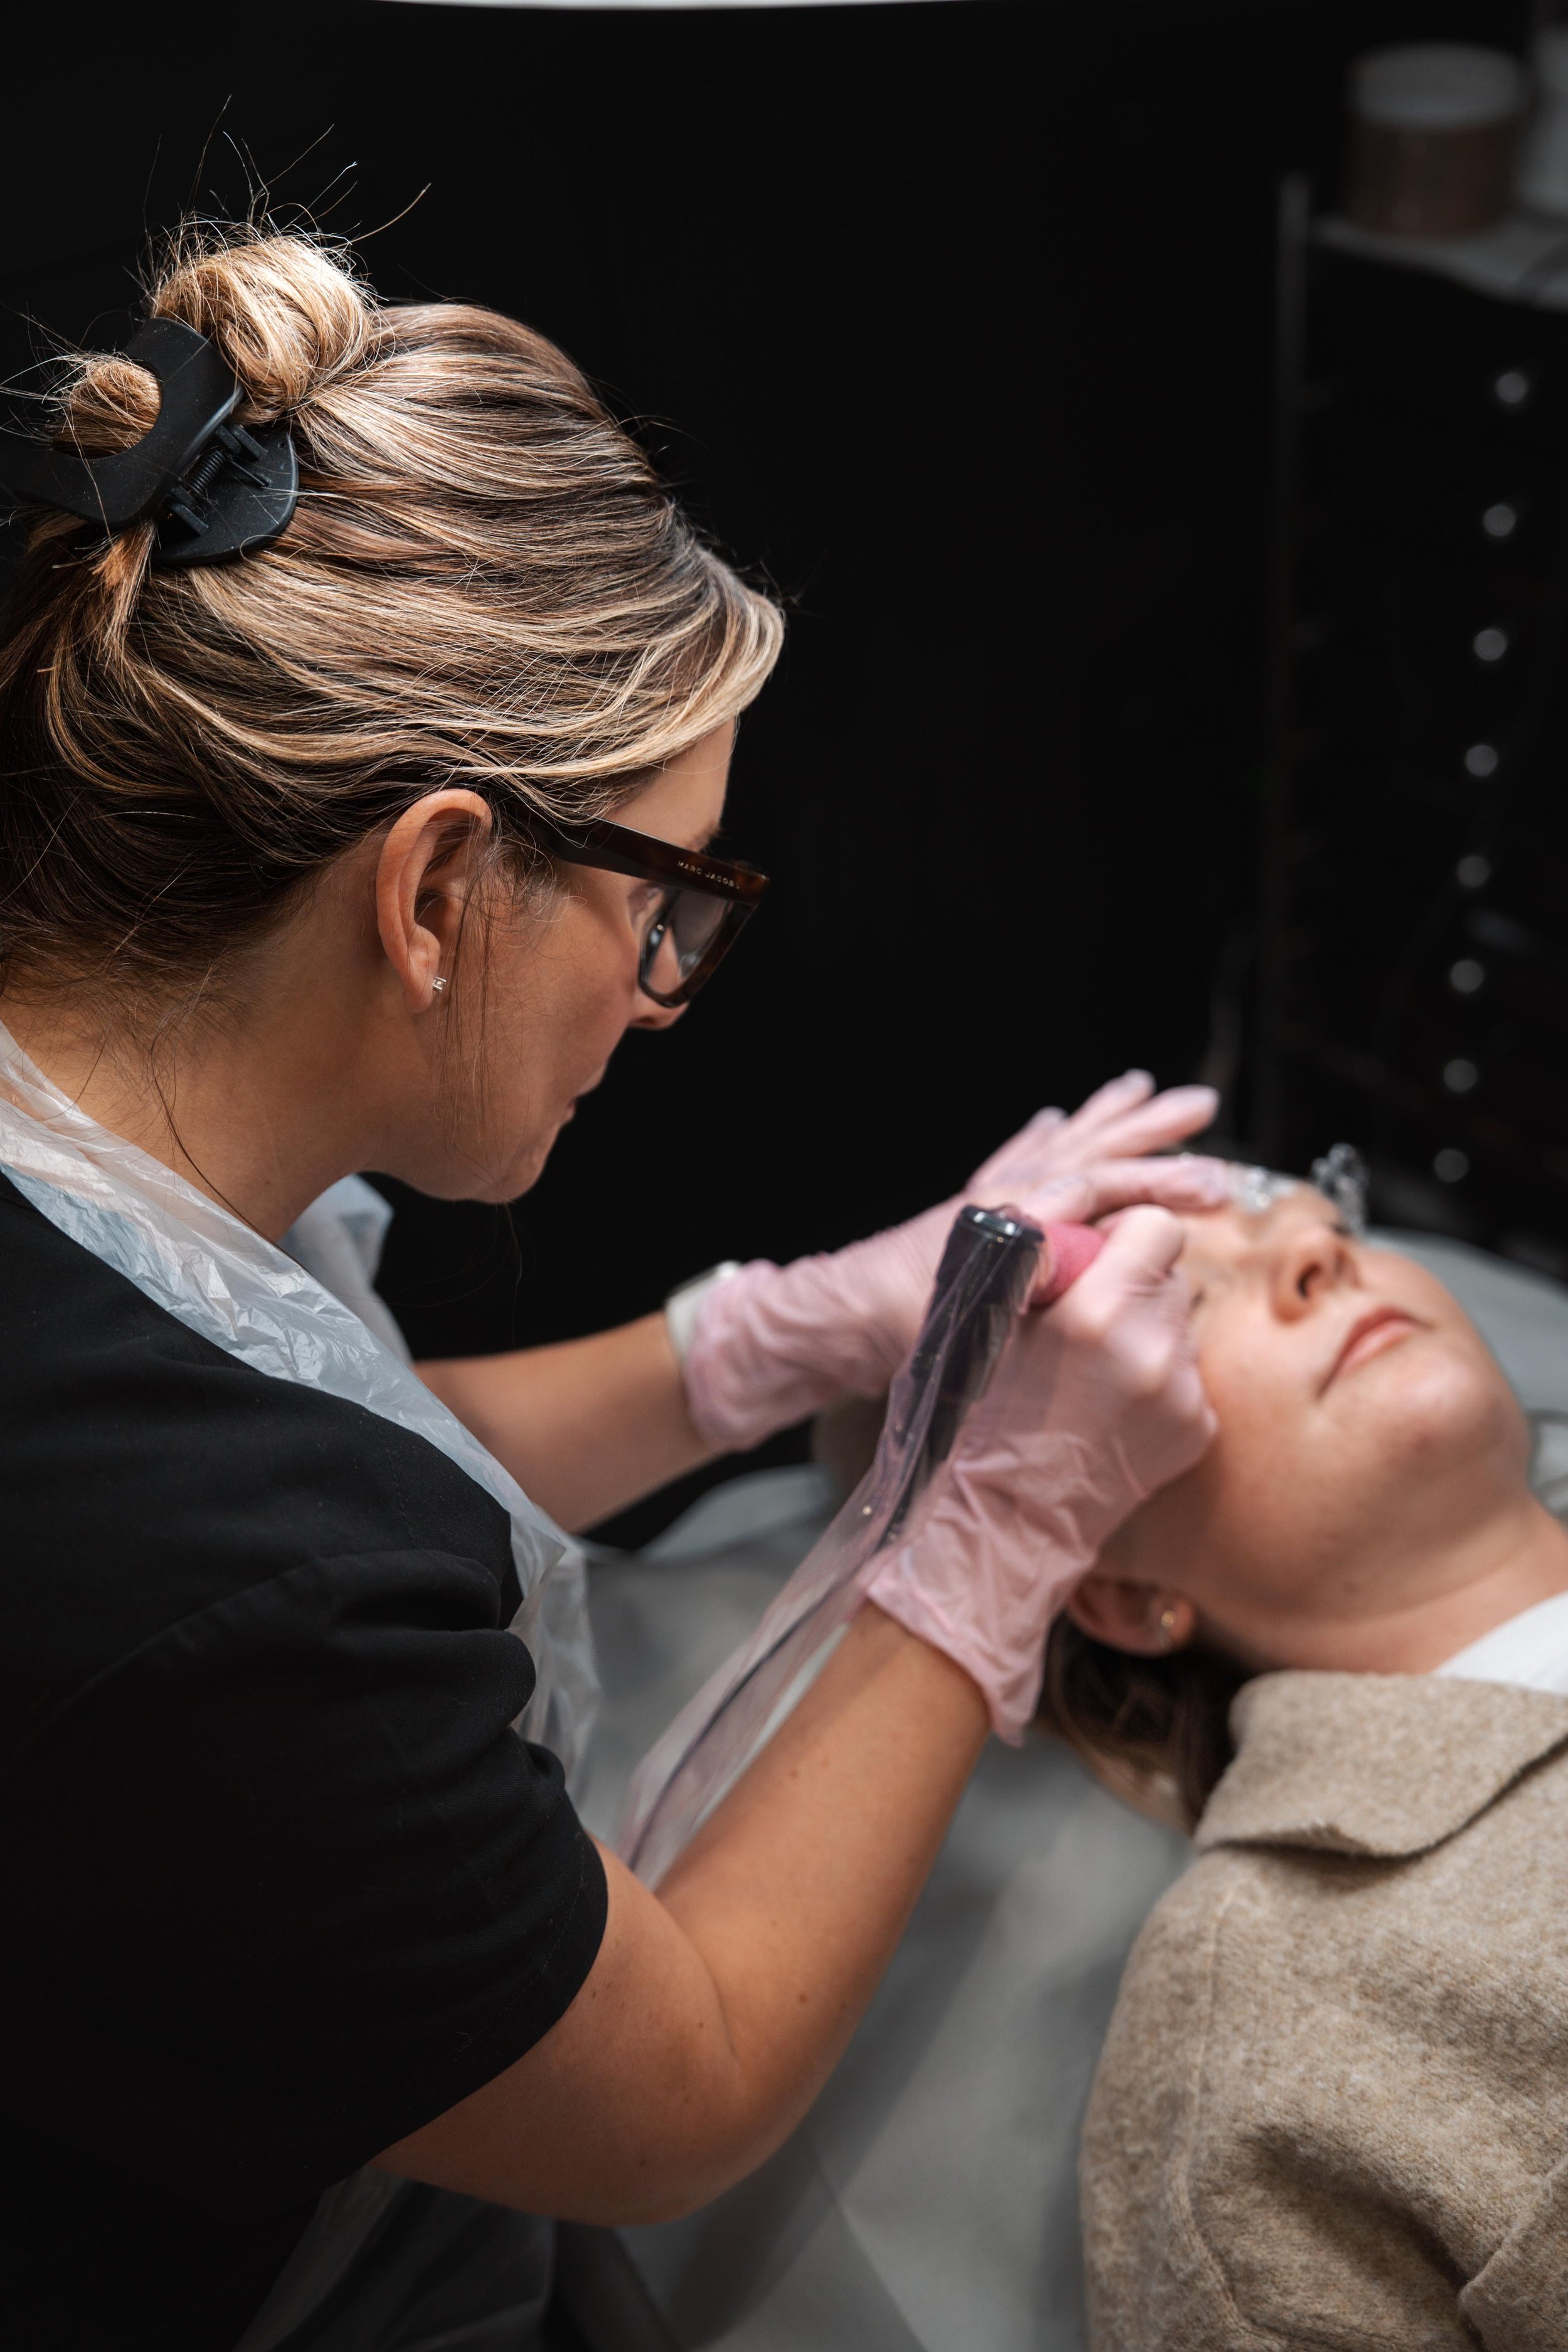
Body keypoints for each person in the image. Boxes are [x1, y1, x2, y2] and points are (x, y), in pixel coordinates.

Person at [0, 225, 1230, 2352]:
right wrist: (990, 1530)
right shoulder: (202, 1576)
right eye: (663, 904)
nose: (666, 997)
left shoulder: (105, 1175)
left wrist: (766, 1338)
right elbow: (681, 2088)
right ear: (436, 888)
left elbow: (326, 1454)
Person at [1039, 1175, 1568, 2349]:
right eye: (1182, 1302)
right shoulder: (1269, 2019)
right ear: (1118, 1589)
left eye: (1323, 1217)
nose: (1315, 1253)